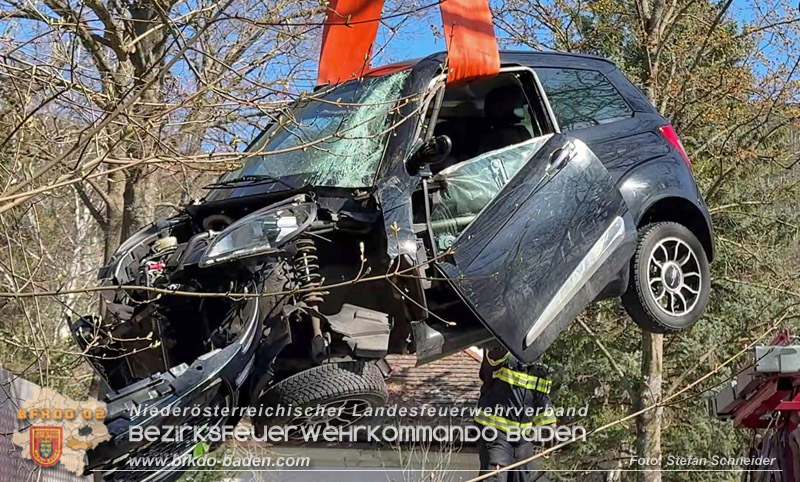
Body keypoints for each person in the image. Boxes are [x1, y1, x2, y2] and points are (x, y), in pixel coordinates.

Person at [474, 343, 556, 482]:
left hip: (522, 439)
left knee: (521, 478)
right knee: (495, 478)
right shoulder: (503, 352)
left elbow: (542, 398)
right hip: (494, 434)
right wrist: (501, 342)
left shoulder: (539, 367)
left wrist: (549, 425)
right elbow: (491, 360)